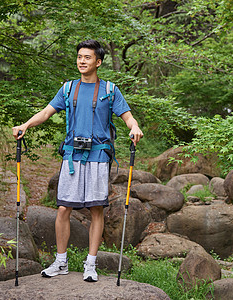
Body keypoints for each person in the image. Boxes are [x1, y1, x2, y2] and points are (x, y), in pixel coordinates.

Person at [12, 39, 143, 282]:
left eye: (87, 57)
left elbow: (128, 118)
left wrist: (134, 128)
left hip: (98, 156)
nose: (82, 61)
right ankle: (61, 262)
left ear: (98, 62)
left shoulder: (109, 90)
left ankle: (90, 265)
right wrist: (25, 125)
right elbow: (46, 112)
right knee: (63, 208)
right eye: (80, 57)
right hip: (72, 155)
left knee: (95, 209)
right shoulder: (68, 89)